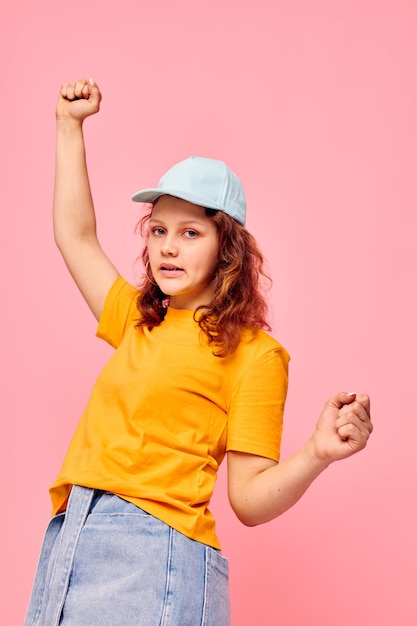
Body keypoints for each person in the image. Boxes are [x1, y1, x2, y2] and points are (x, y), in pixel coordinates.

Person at [24, 78, 373, 626]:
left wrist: (317, 452)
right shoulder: (137, 320)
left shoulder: (255, 355)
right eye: (159, 229)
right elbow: (76, 236)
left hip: (153, 547)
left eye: (190, 233)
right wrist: (70, 127)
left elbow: (250, 501)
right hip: (71, 536)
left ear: (227, 247)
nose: (167, 245)